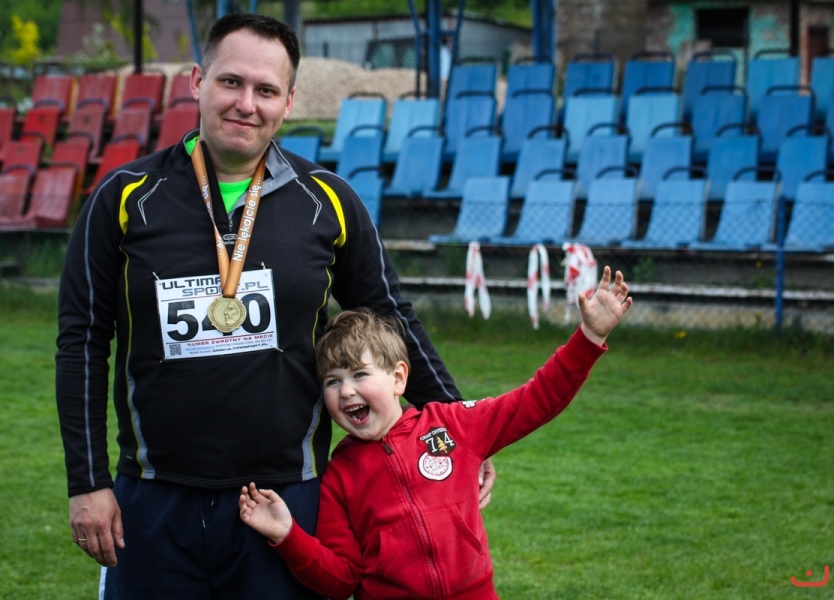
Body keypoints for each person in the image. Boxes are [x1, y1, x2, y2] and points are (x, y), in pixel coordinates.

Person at [55, 12, 494, 599]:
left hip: (288, 502)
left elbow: (391, 316)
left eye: (265, 90)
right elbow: (81, 342)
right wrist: (86, 481)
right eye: (230, 82)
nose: (246, 104)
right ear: (197, 82)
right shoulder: (124, 197)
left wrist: (456, 425)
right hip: (154, 497)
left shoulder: (327, 200)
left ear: (287, 102)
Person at [238, 266, 633, 600]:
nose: (346, 391)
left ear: (398, 378)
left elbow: (537, 399)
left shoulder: (453, 425)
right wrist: (288, 535)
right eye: (332, 381)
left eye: (359, 375)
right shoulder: (339, 477)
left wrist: (589, 338)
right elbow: (340, 580)